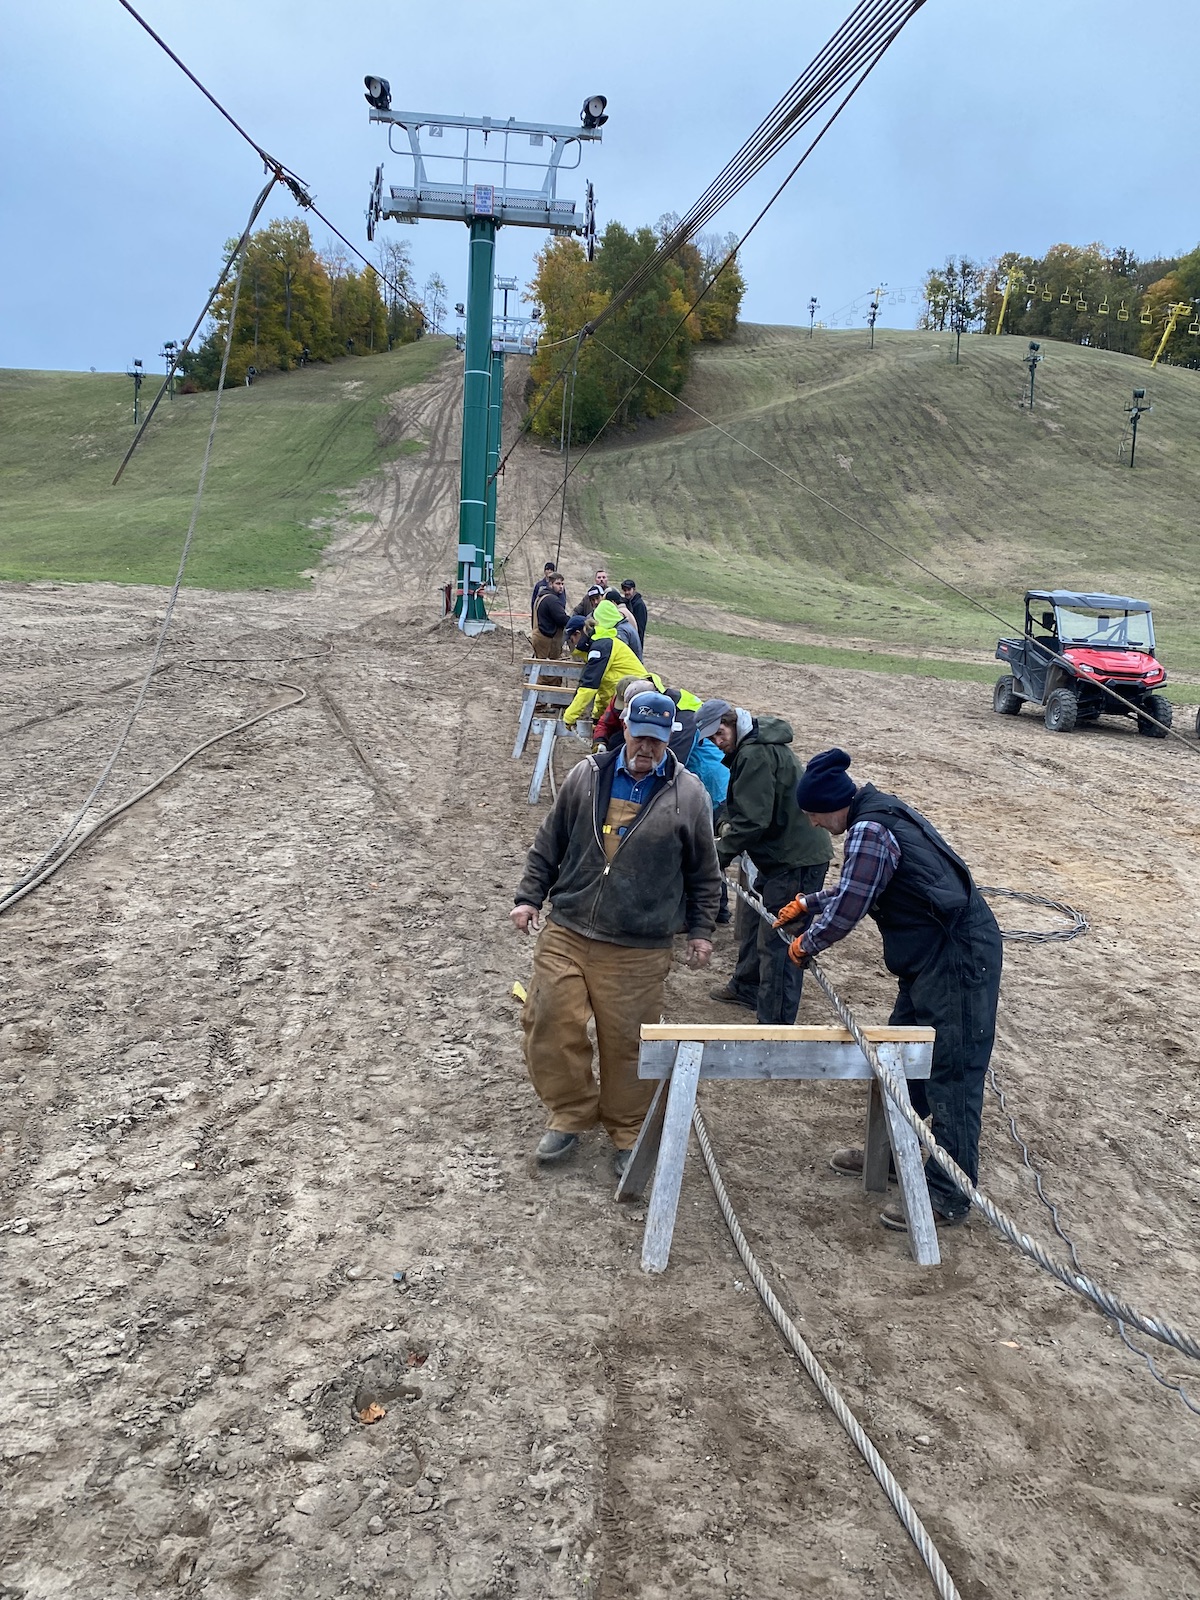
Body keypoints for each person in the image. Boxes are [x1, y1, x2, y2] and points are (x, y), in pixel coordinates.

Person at [774, 747, 1003, 1230]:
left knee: (952, 1073)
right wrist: (808, 903)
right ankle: (897, 1156)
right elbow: (858, 885)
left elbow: (853, 905)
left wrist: (806, 944)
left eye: (814, 815)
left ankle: (949, 1193)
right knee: (902, 1057)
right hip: (929, 958)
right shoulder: (875, 815)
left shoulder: (870, 830)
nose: (814, 824)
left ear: (833, 805)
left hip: (957, 958)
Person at [511, 691, 722, 1176]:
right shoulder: (587, 775)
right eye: (639, 734)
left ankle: (627, 1130)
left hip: (638, 945)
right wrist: (528, 897)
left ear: (669, 737)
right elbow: (551, 840)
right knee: (548, 1020)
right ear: (625, 727)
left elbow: (704, 875)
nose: (646, 746)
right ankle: (570, 1113)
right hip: (568, 925)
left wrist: (700, 931)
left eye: (656, 738)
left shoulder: (688, 795)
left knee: (628, 1042)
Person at [709, 707, 832, 1024]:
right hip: (780, 854)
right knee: (756, 924)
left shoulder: (756, 754)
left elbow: (752, 822)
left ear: (731, 724)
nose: (717, 741)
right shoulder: (751, 747)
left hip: (795, 860)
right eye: (711, 737)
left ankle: (775, 1025)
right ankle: (747, 987)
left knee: (780, 942)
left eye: (719, 733)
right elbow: (741, 805)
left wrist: (716, 858)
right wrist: (722, 823)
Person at [562, 601, 647, 730]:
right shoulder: (600, 645)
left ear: (577, 634)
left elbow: (589, 686)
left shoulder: (601, 647)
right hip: (626, 698)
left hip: (635, 697)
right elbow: (605, 688)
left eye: (571, 639)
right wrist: (598, 717)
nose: (571, 644)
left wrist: (569, 716)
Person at [531, 572, 571, 668]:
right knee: (549, 672)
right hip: (547, 639)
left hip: (538, 636)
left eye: (562, 584)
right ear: (550, 584)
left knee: (540, 668)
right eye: (557, 584)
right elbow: (562, 619)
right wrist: (575, 621)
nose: (561, 586)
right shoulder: (552, 600)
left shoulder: (541, 596)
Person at [620, 579, 648, 646]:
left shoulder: (639, 605)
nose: (626, 592)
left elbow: (640, 628)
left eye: (629, 590)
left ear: (634, 590)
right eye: (625, 590)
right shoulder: (628, 602)